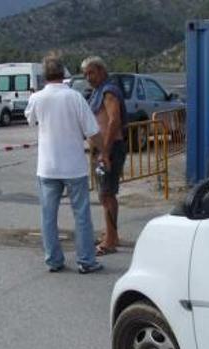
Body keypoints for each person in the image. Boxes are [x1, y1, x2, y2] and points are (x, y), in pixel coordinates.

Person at [25, 56, 107, 274]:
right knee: (81, 214)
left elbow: (30, 120)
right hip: (73, 167)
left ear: (44, 75)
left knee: (48, 216)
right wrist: (104, 152)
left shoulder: (37, 98)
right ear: (64, 74)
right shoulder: (75, 97)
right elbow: (92, 132)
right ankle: (86, 261)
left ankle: (53, 260)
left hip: (47, 167)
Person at [81, 56, 127, 256]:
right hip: (103, 150)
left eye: (91, 72)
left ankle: (110, 240)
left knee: (107, 194)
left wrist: (105, 152)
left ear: (101, 71)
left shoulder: (109, 92)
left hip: (110, 150)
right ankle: (111, 234)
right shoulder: (99, 91)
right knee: (104, 194)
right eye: (85, 74)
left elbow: (113, 120)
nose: (88, 77)